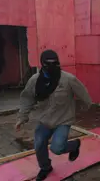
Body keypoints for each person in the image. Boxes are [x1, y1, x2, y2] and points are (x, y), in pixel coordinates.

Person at [15, 50, 92, 181]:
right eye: (48, 63)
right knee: (39, 145)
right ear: (42, 64)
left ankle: (75, 145)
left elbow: (84, 95)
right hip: (44, 120)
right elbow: (27, 99)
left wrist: (83, 107)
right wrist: (22, 118)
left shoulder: (68, 79)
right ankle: (45, 167)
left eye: (54, 63)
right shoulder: (35, 81)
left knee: (57, 148)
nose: (51, 66)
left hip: (63, 120)